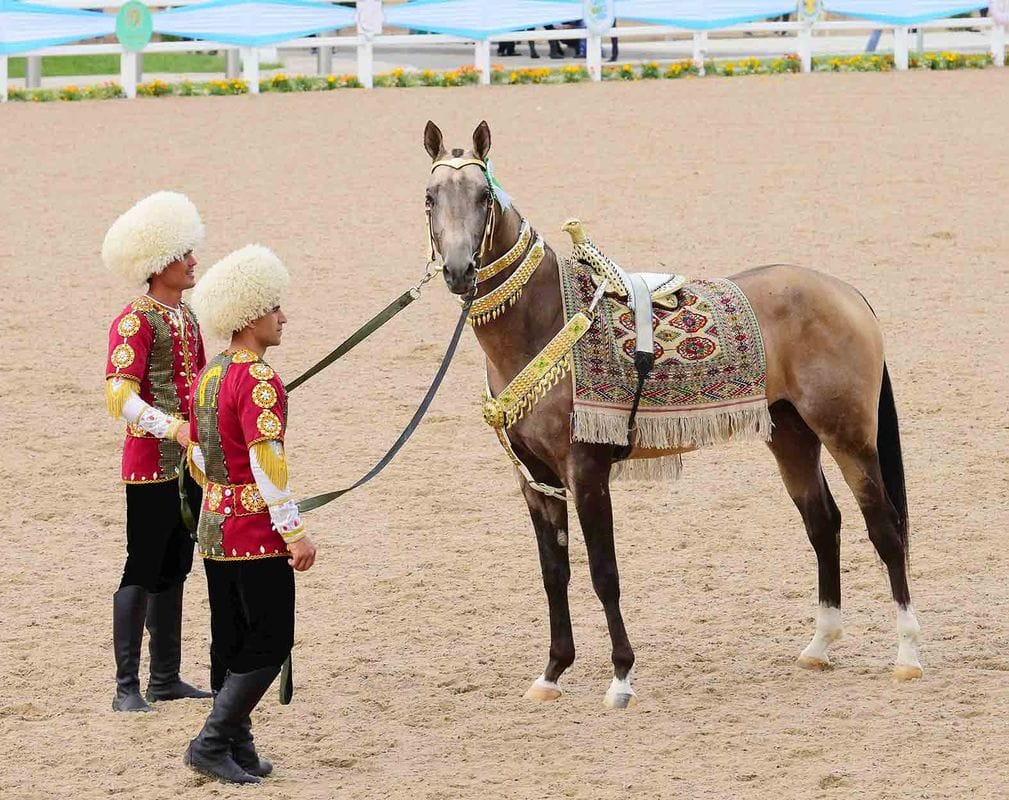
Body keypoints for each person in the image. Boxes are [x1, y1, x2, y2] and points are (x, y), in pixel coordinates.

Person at [184, 244, 317, 784]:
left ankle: (236, 742)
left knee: (231, 638)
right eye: (274, 308)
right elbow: (268, 465)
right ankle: (212, 742)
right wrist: (295, 531)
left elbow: (195, 452)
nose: (282, 317)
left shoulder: (210, 376)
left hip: (214, 527)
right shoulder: (260, 381)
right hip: (255, 530)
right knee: (270, 639)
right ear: (249, 315)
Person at [103, 191, 212, 713]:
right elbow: (119, 396)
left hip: (189, 463)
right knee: (143, 564)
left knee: (176, 564)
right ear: (157, 262)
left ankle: (164, 677)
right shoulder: (134, 321)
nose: (193, 262)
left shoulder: (187, 319)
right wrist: (173, 429)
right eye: (183, 254)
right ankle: (128, 686)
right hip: (151, 465)